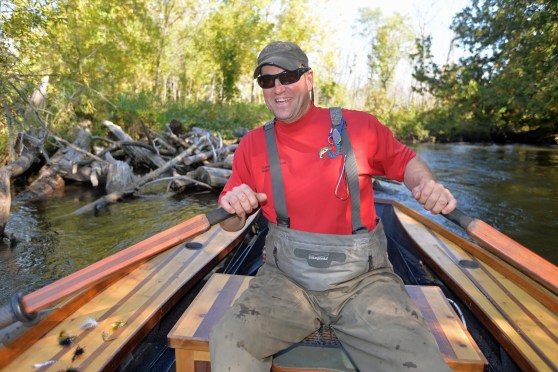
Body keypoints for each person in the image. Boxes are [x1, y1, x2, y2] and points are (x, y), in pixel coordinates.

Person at [209, 41, 456, 372]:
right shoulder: (252, 145)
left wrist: (425, 184)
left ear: (309, 80)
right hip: (284, 282)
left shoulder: (361, 127)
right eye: (267, 81)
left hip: (364, 283)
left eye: (288, 77)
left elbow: (407, 162)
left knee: (422, 363)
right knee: (228, 339)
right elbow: (229, 224)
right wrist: (232, 208)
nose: (277, 88)